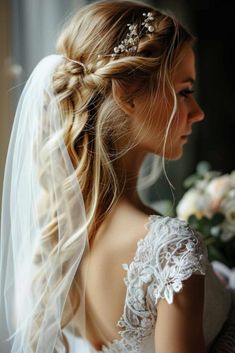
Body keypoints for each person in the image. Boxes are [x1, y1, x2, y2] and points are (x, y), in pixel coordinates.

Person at [0, 1, 234, 353]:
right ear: (126, 95)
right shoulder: (172, 249)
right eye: (184, 91)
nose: (197, 113)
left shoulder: (50, 253)